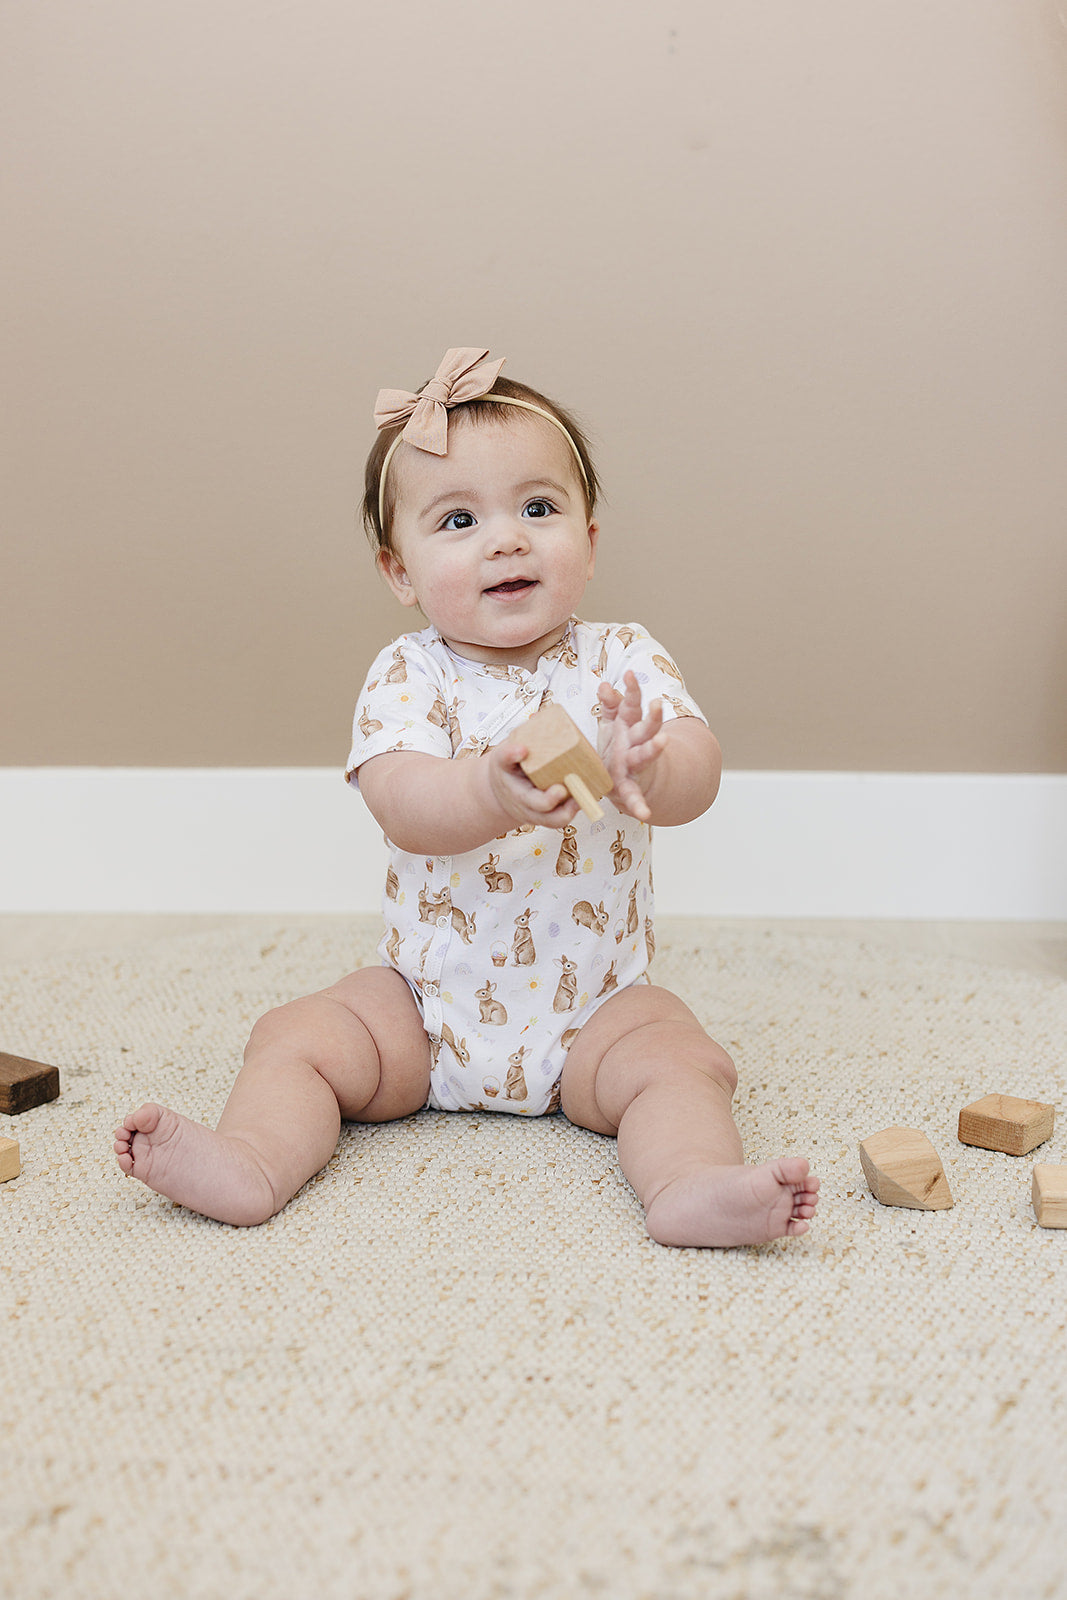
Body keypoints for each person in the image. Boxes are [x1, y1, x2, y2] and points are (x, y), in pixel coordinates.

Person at [114, 347, 819, 1247]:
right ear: (399, 572)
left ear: (590, 544)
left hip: (594, 1011)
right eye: (458, 520)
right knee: (297, 1034)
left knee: (683, 1059)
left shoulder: (622, 660)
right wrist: (488, 786)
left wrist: (651, 766)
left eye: (538, 508)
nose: (506, 538)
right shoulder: (408, 673)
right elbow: (401, 799)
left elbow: (699, 769)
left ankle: (688, 1183)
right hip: (420, 1007)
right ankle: (251, 1157)